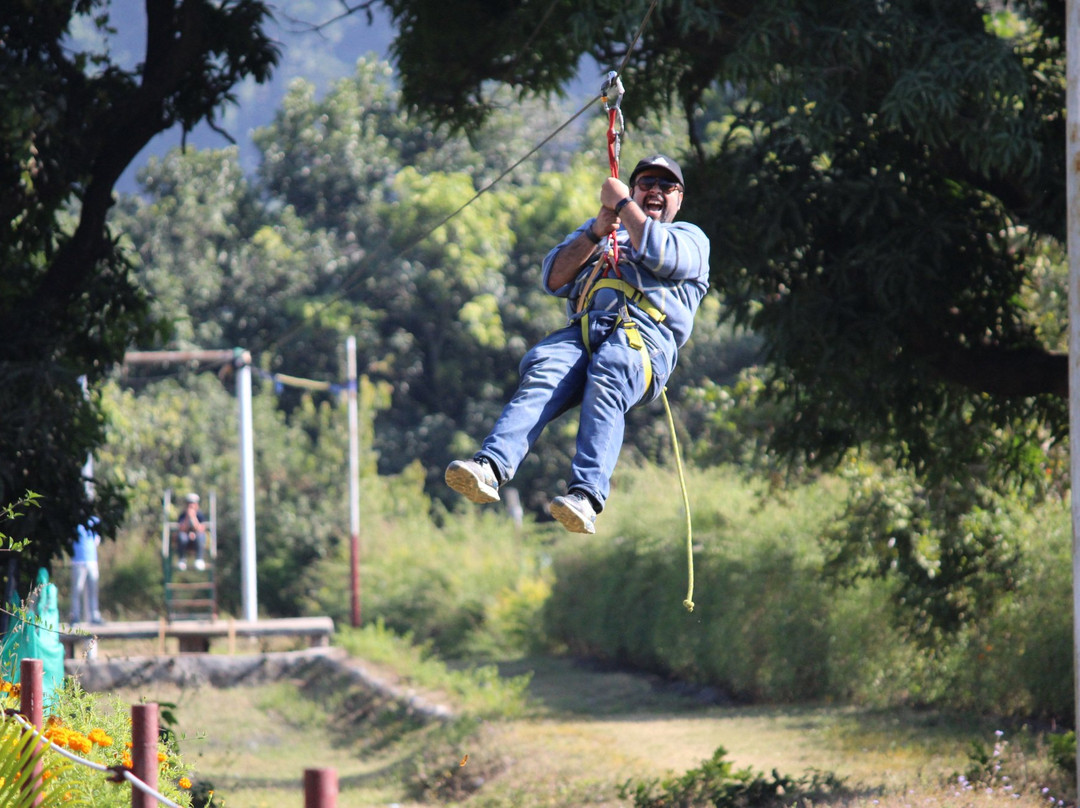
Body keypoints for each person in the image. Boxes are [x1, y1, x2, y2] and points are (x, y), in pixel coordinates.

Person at [445, 154, 711, 534]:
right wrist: (595, 232)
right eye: (645, 184)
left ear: (679, 198)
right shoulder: (606, 232)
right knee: (545, 369)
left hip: (642, 339)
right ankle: (490, 465)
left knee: (612, 370)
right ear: (635, 188)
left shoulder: (689, 238)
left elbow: (658, 253)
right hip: (586, 329)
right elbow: (553, 278)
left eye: (665, 186)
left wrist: (622, 204)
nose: (654, 191)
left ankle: (585, 496)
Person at [70, 516, 103, 624]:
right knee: (77, 590)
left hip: (92, 560)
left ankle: (94, 616)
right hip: (78, 561)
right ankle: (75, 616)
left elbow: (97, 539)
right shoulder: (74, 519)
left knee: (93, 590)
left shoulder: (94, 520)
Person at [177, 493, 208, 571]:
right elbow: (181, 528)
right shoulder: (182, 515)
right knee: (181, 537)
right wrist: (188, 517)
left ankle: (199, 559)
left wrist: (193, 517)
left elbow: (201, 529)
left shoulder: (200, 515)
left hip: (196, 539)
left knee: (201, 537)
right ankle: (182, 560)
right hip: (186, 539)